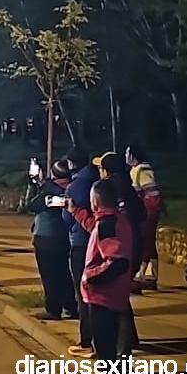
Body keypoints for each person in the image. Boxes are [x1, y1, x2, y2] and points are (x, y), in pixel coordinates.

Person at [67, 179, 133, 362]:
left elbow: (117, 262)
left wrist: (90, 278)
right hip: (112, 294)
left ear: (95, 201)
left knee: (105, 351)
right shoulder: (115, 221)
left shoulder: (107, 225)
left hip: (103, 297)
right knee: (110, 350)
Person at [93, 151, 144, 356]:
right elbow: (141, 215)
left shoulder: (109, 190)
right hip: (134, 247)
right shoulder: (128, 188)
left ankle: (122, 350)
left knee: (116, 300)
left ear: (106, 171)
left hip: (121, 250)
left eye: (101, 168)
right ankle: (128, 340)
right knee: (121, 296)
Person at [26, 159, 77, 320]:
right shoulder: (71, 189)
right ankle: (70, 306)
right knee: (63, 273)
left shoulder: (50, 192)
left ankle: (53, 309)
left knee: (50, 276)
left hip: (46, 237)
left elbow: (31, 205)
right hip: (64, 237)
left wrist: (33, 183)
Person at [64, 147, 98, 358]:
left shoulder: (76, 186)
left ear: (72, 163)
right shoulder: (97, 181)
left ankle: (87, 341)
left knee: (84, 294)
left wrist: (70, 212)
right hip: (100, 246)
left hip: (81, 242)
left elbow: (67, 218)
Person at [126, 144, 163, 290]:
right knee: (148, 242)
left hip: (148, 212)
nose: (125, 156)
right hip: (144, 211)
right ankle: (149, 276)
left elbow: (152, 193)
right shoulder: (136, 170)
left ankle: (143, 275)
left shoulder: (142, 171)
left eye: (127, 153)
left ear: (133, 155)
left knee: (146, 241)